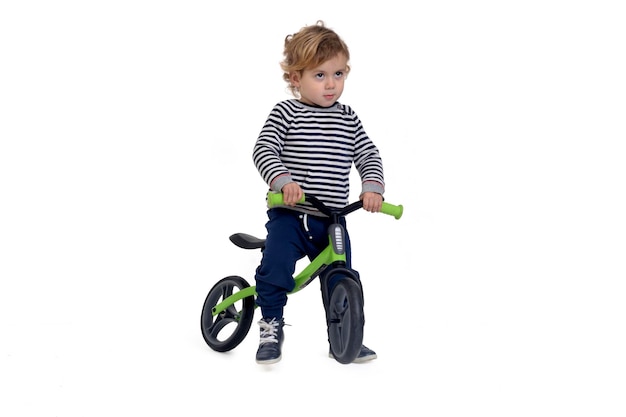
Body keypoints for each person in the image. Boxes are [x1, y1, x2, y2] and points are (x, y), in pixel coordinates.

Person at [252, 20, 385, 364]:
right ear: (296, 78)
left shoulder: (347, 118)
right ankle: (270, 324)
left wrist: (371, 188)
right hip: (292, 214)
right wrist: (283, 181)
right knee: (276, 267)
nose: (331, 84)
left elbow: (368, 154)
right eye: (320, 75)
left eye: (338, 74)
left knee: (341, 276)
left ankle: (345, 337)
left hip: (332, 219)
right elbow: (264, 149)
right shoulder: (287, 112)